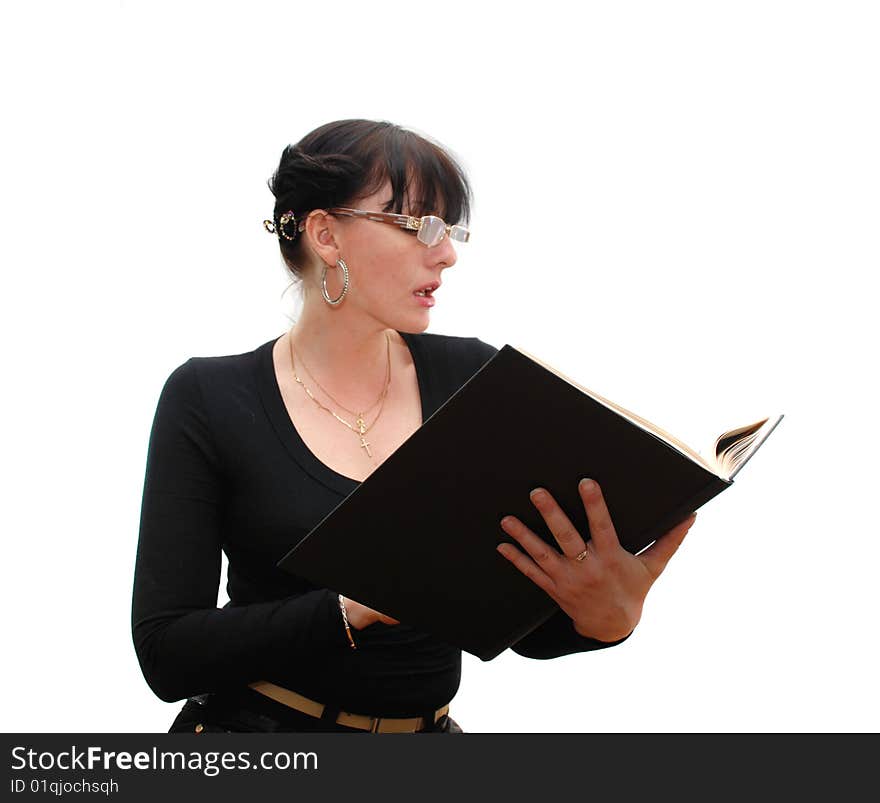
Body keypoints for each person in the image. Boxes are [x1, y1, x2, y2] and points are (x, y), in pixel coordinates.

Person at [131, 119, 698, 733]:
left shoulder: (474, 378)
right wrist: (352, 609)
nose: (447, 253)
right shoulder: (208, 397)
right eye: (420, 225)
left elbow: (510, 622)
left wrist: (603, 620)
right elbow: (167, 651)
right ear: (326, 234)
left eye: (450, 229)